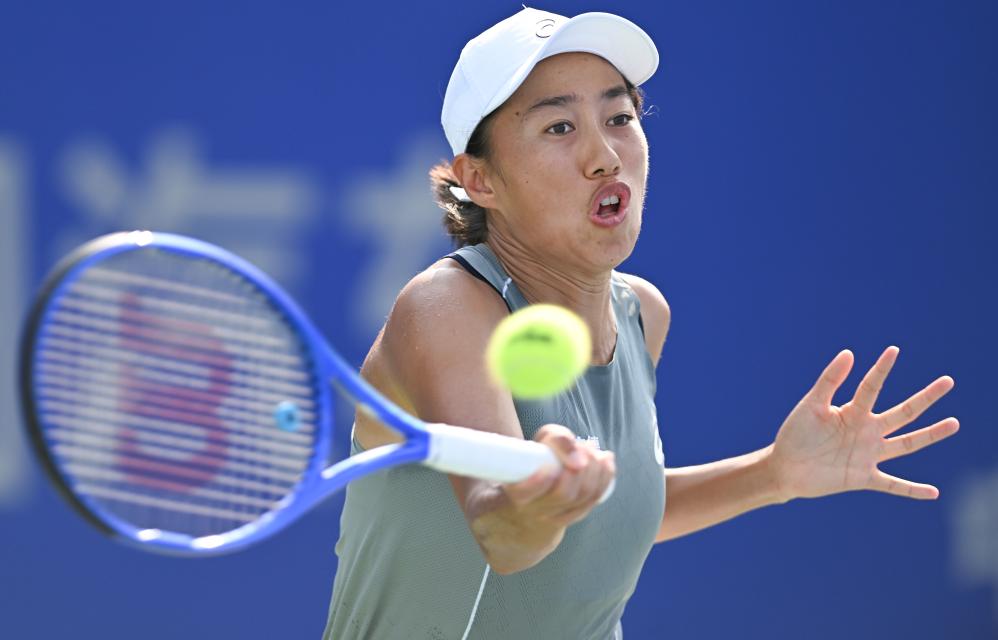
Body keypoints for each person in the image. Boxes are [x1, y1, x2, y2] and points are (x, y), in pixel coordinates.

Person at [323, 8, 958, 639]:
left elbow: (614, 511)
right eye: (559, 127)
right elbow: (501, 532)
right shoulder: (446, 306)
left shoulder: (641, 313)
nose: (604, 156)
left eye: (620, 118)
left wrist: (774, 474)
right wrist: (542, 503)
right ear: (480, 180)